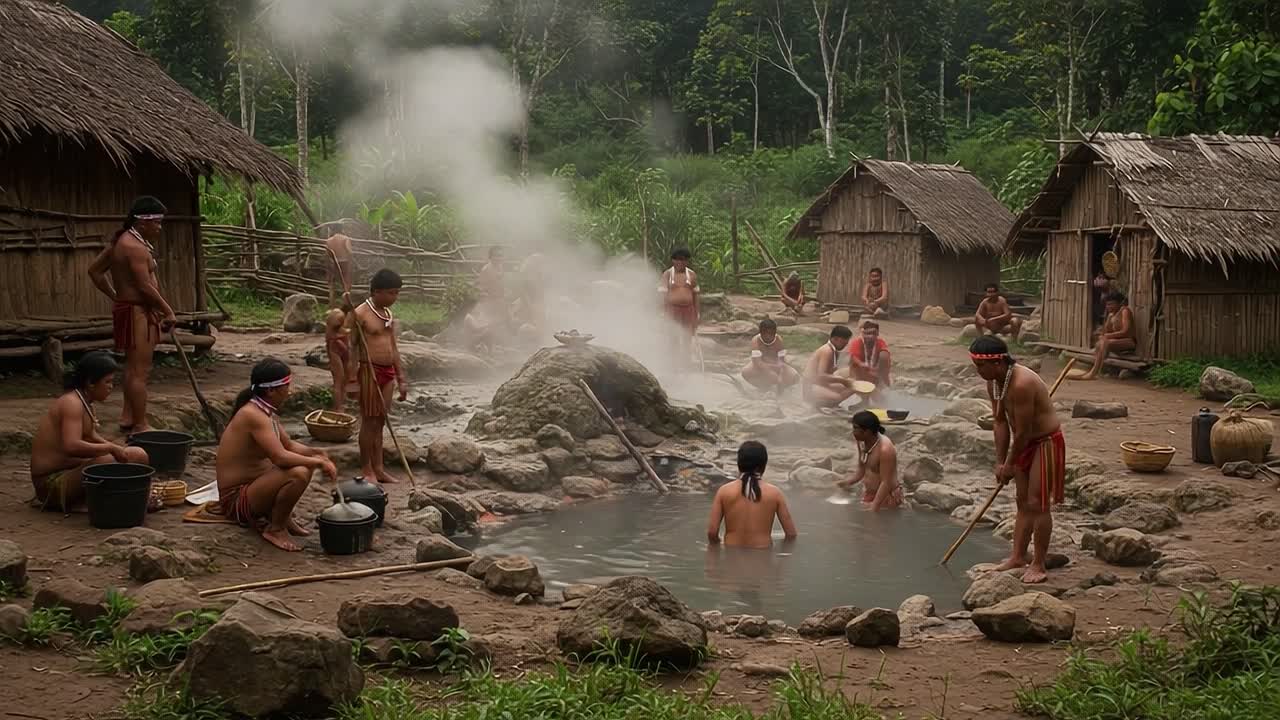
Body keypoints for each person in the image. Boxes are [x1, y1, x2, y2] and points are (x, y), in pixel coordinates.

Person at [216, 359, 338, 552]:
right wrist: (318, 463)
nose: (289, 391)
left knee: (302, 466)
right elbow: (280, 457)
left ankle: (281, 518)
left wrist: (317, 453)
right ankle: (276, 528)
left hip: (254, 489)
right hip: (237, 501)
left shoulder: (265, 412)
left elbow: (288, 445)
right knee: (298, 472)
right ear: (271, 390)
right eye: (286, 385)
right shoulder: (252, 415)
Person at [970, 336, 1064, 584]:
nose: (978, 372)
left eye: (981, 366)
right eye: (976, 366)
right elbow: (1000, 421)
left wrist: (1011, 464)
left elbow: (1021, 432)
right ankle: (1017, 556)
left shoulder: (1021, 383)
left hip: (1045, 442)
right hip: (1024, 443)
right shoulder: (995, 383)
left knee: (1038, 503)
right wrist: (1001, 462)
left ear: (999, 362)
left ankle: (1039, 563)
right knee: (1022, 502)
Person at [87, 196, 176, 434]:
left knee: (132, 368)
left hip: (130, 309)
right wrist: (167, 310)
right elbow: (145, 286)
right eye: (157, 222)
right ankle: (140, 424)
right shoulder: (134, 247)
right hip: (137, 312)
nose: (159, 227)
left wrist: (116, 295)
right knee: (139, 371)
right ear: (143, 223)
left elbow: (94, 271)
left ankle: (128, 417)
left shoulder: (120, 242)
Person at [30, 352, 149, 511]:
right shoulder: (71, 403)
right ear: (91, 383)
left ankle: (126, 496)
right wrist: (110, 449)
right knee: (106, 462)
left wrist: (119, 449)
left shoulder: (85, 402)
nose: (110, 387)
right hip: (51, 484)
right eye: (107, 382)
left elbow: (91, 436)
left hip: (72, 471)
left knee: (138, 455)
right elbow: (71, 446)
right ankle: (95, 501)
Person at [350, 269, 408, 484]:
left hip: (388, 373)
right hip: (369, 371)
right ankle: (366, 469)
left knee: (381, 422)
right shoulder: (360, 314)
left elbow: (393, 347)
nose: (395, 298)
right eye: (391, 293)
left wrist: (401, 378)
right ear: (377, 291)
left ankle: (379, 468)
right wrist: (352, 381)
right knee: (369, 421)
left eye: (397, 293)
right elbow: (352, 348)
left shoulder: (388, 314)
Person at [707, 441, 797, 549]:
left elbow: (712, 533)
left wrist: (716, 549)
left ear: (739, 464)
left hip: (731, 556)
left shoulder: (724, 491)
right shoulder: (775, 493)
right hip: (763, 557)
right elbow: (791, 534)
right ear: (763, 465)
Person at [837, 411, 903, 510]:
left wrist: (874, 507)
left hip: (887, 496)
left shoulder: (885, 449)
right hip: (869, 494)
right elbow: (861, 469)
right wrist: (844, 483)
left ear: (867, 432)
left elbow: (886, 482)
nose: (853, 432)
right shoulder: (862, 441)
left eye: (855, 428)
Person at [1079, 291, 1136, 381]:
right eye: (1107, 305)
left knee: (1105, 341)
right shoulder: (1111, 315)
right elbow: (1104, 332)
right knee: (1100, 342)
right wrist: (1101, 332)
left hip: (1128, 342)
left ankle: (1093, 372)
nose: (1108, 307)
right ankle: (1097, 369)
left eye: (1111, 304)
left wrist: (1107, 336)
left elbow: (1125, 331)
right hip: (1114, 343)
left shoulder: (1125, 311)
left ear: (1119, 303)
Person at [660, 248, 700, 363]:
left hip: (688, 309)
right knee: (673, 336)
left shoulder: (691, 274)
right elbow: (662, 295)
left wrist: (697, 313)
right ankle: (673, 362)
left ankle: (686, 361)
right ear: (673, 261)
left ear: (687, 262)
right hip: (672, 309)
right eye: (677, 260)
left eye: (683, 261)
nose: (680, 263)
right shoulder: (667, 274)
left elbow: (696, 295)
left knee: (687, 336)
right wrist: (663, 313)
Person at [464, 247, 508, 352]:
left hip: (499, 300)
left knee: (498, 324)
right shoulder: (486, 270)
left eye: (500, 255)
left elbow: (501, 284)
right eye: (496, 255)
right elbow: (480, 287)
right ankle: (481, 346)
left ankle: (492, 348)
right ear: (490, 257)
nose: (499, 258)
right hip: (490, 301)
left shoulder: (500, 267)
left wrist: (504, 294)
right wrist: (487, 299)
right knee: (489, 324)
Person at [803, 325, 857, 408]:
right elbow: (821, 376)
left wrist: (844, 381)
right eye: (844, 342)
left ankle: (827, 397)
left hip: (820, 383)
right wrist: (842, 380)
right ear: (836, 339)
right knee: (838, 396)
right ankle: (821, 403)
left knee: (851, 386)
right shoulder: (827, 351)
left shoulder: (834, 350)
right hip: (810, 386)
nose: (846, 345)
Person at [741, 318, 799, 392]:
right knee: (745, 372)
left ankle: (781, 388)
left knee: (795, 377)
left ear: (774, 333)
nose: (768, 336)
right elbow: (757, 362)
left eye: (770, 334)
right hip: (760, 364)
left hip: (776, 363)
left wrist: (780, 373)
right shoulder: (756, 340)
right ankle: (764, 387)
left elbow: (781, 360)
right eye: (765, 333)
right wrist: (769, 372)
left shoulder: (778, 340)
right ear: (760, 333)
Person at [323, 308, 354, 412]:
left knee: (346, 379)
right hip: (336, 353)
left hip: (346, 353)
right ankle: (338, 406)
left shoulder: (343, 327)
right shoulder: (330, 330)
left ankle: (343, 402)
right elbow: (331, 340)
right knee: (338, 380)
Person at [847, 320, 892, 388]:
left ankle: (885, 385)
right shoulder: (856, 343)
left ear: (877, 334)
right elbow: (853, 358)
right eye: (868, 333)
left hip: (875, 370)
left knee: (884, 356)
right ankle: (855, 382)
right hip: (861, 370)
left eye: (874, 333)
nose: (871, 336)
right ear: (863, 334)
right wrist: (861, 364)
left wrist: (878, 371)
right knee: (853, 363)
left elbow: (885, 355)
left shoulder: (880, 343)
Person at [325, 232, 355, 308]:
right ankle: (346, 303)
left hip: (334, 263)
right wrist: (351, 262)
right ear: (341, 229)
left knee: (333, 285)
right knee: (346, 282)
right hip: (345, 262)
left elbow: (327, 254)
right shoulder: (345, 239)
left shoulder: (328, 241)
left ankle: (332, 304)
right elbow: (350, 252)